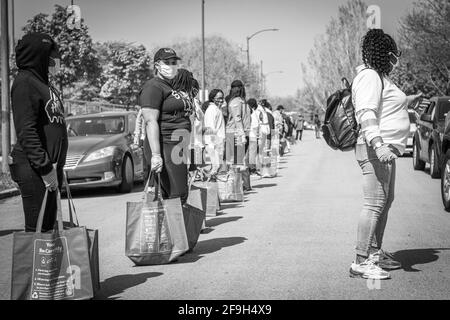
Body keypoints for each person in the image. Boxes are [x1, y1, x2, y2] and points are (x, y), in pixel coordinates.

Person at [349, 29, 422, 280]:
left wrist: (408, 101)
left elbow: (386, 106)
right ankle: (361, 260)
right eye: (394, 54)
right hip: (375, 148)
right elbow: (366, 112)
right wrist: (378, 144)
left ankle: (374, 252)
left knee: (385, 202)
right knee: (374, 203)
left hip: (386, 150)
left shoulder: (380, 77)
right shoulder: (369, 76)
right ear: (384, 53)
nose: (396, 59)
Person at [8, 33, 68, 232]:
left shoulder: (43, 83)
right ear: (39, 55)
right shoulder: (25, 82)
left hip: (49, 168)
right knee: (38, 233)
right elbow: (26, 131)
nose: (56, 59)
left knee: (48, 231)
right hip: (34, 169)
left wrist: (56, 166)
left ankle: (49, 265)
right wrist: (45, 168)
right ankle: (33, 265)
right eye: (52, 54)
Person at [139, 48, 192, 204]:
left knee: (181, 192)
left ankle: (177, 227)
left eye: (173, 62)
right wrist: (156, 154)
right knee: (175, 193)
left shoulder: (171, 87)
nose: (171, 65)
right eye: (167, 62)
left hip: (178, 146)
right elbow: (150, 121)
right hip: (165, 144)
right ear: (157, 65)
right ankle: (172, 227)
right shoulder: (153, 87)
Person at [171, 69, 204, 172]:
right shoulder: (177, 98)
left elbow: (198, 116)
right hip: (177, 138)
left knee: (185, 168)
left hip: (187, 139)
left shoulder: (190, 100)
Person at [204, 89, 226, 176]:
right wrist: (213, 145)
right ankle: (211, 187)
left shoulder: (217, 109)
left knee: (217, 168)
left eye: (222, 98)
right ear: (213, 98)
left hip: (218, 142)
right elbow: (210, 128)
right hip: (214, 143)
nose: (221, 100)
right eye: (219, 98)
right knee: (215, 168)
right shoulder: (211, 110)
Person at [225, 80, 247, 167]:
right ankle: (234, 179)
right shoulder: (236, 101)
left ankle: (236, 178)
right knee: (236, 160)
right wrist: (242, 134)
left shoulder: (240, 100)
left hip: (236, 131)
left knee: (237, 159)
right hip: (235, 132)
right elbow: (237, 118)